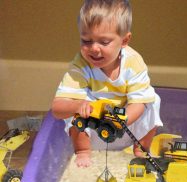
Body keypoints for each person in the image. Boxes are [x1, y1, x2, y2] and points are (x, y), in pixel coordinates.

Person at [51, 0, 163, 167]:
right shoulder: (80, 65)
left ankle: (141, 149)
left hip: (123, 117)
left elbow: (138, 103)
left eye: (104, 42)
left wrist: (119, 122)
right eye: (86, 41)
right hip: (93, 118)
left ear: (124, 41)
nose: (94, 48)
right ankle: (82, 151)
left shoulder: (134, 62)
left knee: (152, 100)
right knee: (73, 114)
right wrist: (78, 106)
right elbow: (57, 108)